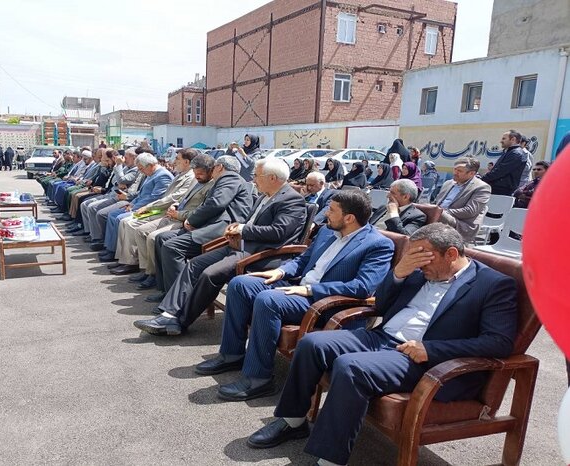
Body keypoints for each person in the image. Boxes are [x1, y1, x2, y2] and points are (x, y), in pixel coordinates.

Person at [247, 223, 517, 466]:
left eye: (423, 256)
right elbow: (382, 306)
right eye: (413, 255)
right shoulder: (416, 268)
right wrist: (398, 273)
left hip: (423, 357)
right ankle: (293, 422)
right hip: (382, 337)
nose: (418, 263)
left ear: (451, 254)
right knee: (312, 344)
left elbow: (499, 342)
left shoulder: (493, 285)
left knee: (351, 367)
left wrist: (431, 350)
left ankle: (329, 460)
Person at [194, 190, 394, 401]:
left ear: (349, 218)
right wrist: (280, 271)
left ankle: (259, 379)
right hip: (299, 286)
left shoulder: (377, 244)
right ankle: (232, 354)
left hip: (325, 301)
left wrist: (309, 290)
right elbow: (302, 259)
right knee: (240, 284)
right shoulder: (328, 232)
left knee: (268, 300)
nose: (326, 213)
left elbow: (362, 286)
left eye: (332, 210)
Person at [133, 158, 307, 335]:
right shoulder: (264, 196)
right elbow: (250, 221)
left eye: (257, 175)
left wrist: (243, 229)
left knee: (210, 274)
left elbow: (278, 232)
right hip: (239, 246)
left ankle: (180, 321)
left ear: (272, 178)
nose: (254, 179)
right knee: (194, 265)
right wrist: (236, 230)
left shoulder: (292, 200)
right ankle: (169, 314)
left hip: (260, 253)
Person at [145, 156, 253, 303]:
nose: (212, 170)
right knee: (161, 238)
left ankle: (180, 299)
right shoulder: (223, 180)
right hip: (209, 224)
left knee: (172, 247)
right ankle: (167, 291)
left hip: (221, 230)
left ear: (220, 167)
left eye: (214, 167)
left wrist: (192, 220)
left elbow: (216, 204)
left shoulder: (230, 178)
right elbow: (209, 205)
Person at [128, 154, 217, 290]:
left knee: (154, 238)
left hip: (185, 220)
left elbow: (201, 211)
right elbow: (184, 198)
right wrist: (175, 205)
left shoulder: (212, 186)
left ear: (211, 171)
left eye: (200, 173)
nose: (197, 176)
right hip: (174, 214)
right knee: (141, 231)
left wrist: (178, 214)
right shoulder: (197, 181)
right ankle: (147, 270)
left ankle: (154, 275)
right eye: (195, 173)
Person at [109, 149, 199, 275]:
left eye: (177, 159)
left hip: (166, 211)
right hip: (163, 209)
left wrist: (147, 207)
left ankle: (139, 266)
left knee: (131, 224)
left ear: (186, 162)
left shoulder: (188, 176)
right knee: (126, 222)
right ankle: (129, 262)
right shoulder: (181, 174)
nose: (174, 162)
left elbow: (172, 198)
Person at [97, 153, 174, 263]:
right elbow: (141, 194)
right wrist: (132, 204)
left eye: (142, 169)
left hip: (154, 209)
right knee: (113, 215)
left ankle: (125, 258)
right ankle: (112, 249)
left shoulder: (162, 176)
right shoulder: (151, 174)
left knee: (121, 219)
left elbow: (154, 199)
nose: (141, 171)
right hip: (142, 206)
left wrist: (134, 208)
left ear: (150, 165)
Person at [433, 157, 491, 243]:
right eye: (455, 169)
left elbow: (470, 211)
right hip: (440, 216)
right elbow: (436, 202)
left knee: (435, 215)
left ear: (471, 173)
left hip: (461, 223)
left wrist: (441, 212)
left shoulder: (481, 188)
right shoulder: (448, 183)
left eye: (459, 171)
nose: (455, 173)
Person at [481, 130, 527, 195]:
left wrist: (481, 179)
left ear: (513, 139)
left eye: (504, 138)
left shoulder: (516, 153)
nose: (501, 141)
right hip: (497, 189)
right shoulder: (510, 152)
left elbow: (500, 171)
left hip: (503, 191)